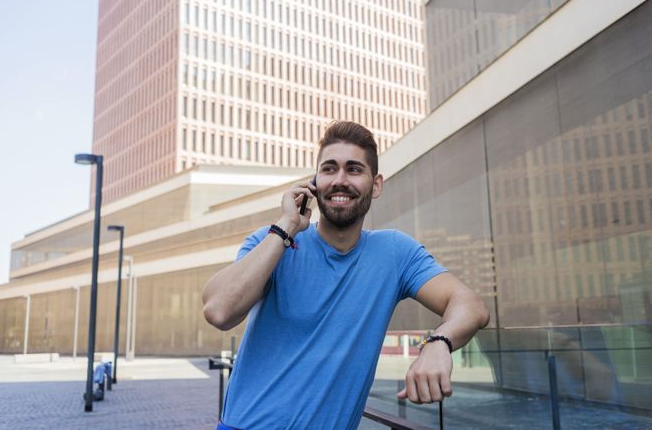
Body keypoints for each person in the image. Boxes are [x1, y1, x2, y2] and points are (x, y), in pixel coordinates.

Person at [202, 121, 490, 429]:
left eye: (354, 169)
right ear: (314, 183)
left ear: (376, 185)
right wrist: (286, 226)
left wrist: (439, 342)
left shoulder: (395, 253)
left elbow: (471, 305)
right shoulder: (272, 240)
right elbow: (219, 311)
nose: (340, 180)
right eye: (329, 169)